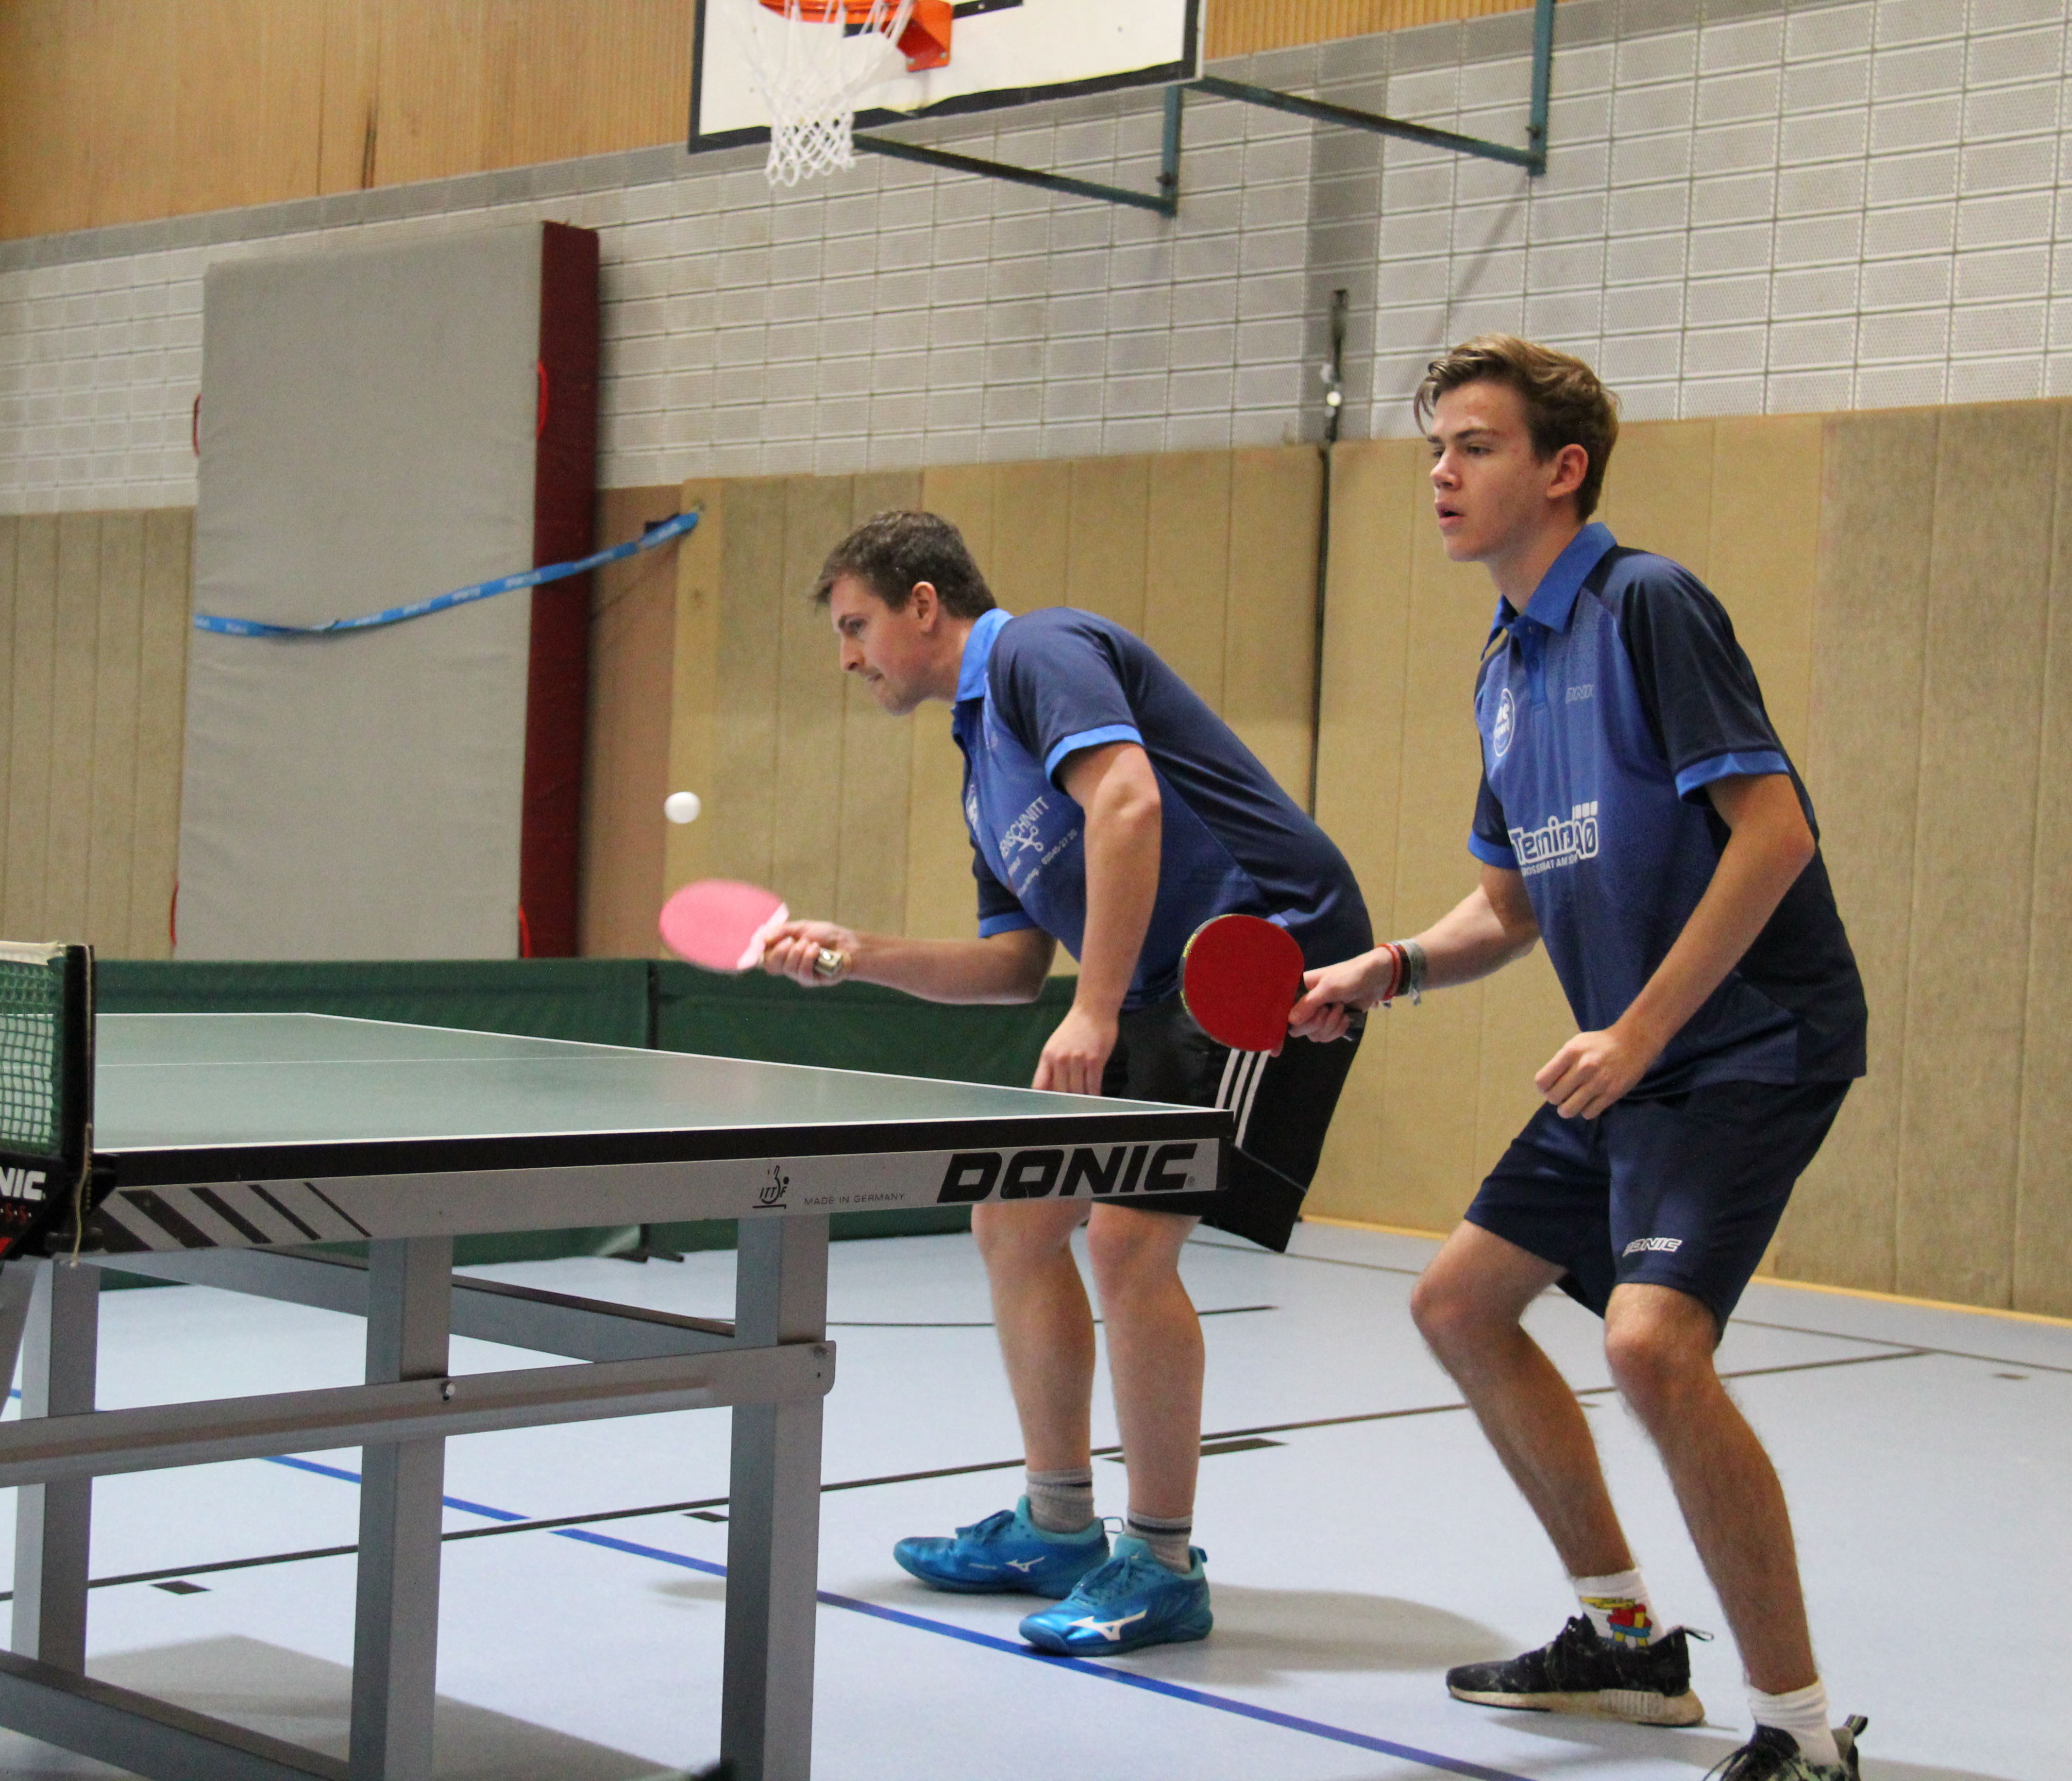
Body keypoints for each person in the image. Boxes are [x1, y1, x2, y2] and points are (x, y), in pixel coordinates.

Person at [1291, 337, 1869, 1781]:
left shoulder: (1645, 605)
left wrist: (1642, 1030)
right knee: (1460, 1306)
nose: (1441, 471)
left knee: (1651, 1346)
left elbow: (1776, 834)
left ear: (1563, 470)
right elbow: (1509, 906)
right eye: (1436, 447)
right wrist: (1391, 968)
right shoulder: (1504, 662)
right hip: (1630, 1059)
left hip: (1748, 1039)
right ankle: (1622, 1645)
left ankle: (1802, 1736)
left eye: (1476, 445)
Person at [761, 510, 1372, 1656]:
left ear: (925, 605)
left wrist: (1092, 1012)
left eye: (855, 625)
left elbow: (1129, 802)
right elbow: (1007, 969)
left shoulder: (1037, 652)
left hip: (1262, 956)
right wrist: (857, 954)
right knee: (1014, 1218)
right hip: (1152, 984)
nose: (848, 657)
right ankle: (1056, 1526)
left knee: (1129, 1244)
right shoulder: (981, 776)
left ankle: (1163, 1563)